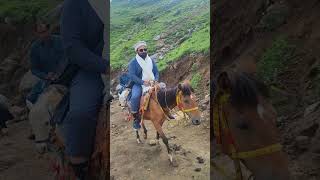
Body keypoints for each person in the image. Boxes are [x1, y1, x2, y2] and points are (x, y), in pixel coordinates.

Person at [60, 0, 108, 179]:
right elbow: (73, 48)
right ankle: (80, 168)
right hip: (92, 69)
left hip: (125, 61)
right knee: (80, 114)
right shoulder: (75, 4)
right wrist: (105, 66)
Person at [128, 41, 175, 131]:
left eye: (145, 49)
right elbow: (132, 75)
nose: (144, 51)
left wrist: (156, 80)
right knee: (135, 97)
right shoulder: (133, 62)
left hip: (153, 82)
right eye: (141, 50)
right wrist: (143, 82)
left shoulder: (150, 60)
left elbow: (156, 71)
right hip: (139, 84)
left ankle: (166, 111)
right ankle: (136, 118)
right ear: (137, 51)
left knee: (164, 92)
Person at [27, 21, 67, 105]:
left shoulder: (60, 41)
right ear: (36, 34)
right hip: (47, 79)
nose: (43, 35)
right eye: (40, 33)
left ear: (49, 30)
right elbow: (34, 69)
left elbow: (66, 59)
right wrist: (45, 75)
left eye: (45, 31)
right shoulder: (35, 48)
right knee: (30, 99)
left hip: (64, 75)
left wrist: (58, 73)